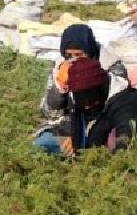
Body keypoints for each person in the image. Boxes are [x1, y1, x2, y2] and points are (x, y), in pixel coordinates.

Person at [62, 58, 137, 154]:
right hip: (127, 138)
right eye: (82, 101)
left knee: (113, 137)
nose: (87, 106)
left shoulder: (128, 102)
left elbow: (127, 139)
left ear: (102, 88)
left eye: (90, 100)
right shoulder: (83, 100)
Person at [33, 24, 100, 154]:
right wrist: (60, 87)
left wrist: (78, 135)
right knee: (42, 144)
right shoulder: (61, 67)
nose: (74, 59)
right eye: (69, 55)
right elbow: (49, 112)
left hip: (97, 127)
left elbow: (111, 111)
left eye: (79, 54)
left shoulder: (109, 67)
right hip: (67, 126)